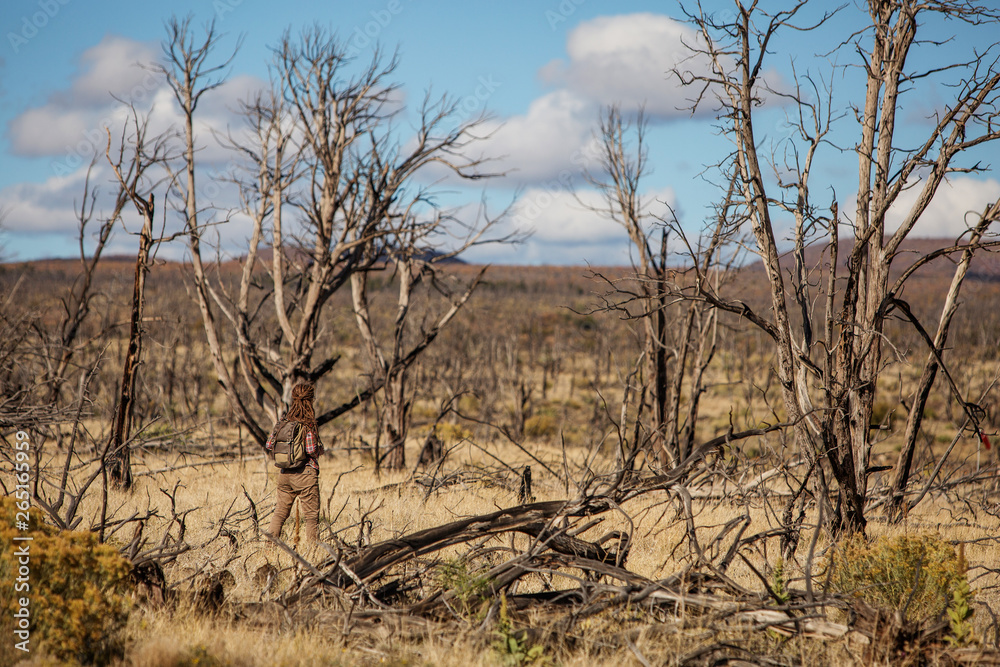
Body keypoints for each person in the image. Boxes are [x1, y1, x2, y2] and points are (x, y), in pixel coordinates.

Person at [264, 382, 324, 543]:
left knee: (280, 513)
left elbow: (269, 444)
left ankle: (269, 546)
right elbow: (311, 450)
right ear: (310, 399)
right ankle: (313, 552)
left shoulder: (283, 422)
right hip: (305, 474)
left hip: (284, 474)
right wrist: (320, 450)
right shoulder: (307, 424)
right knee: (311, 517)